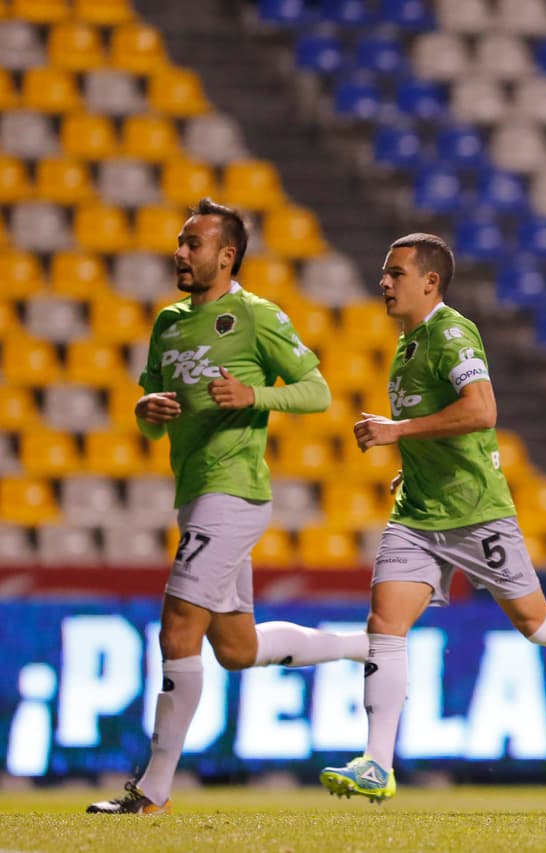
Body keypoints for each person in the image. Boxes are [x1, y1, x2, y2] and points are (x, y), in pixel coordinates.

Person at [318, 233, 546, 803]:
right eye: (383, 273)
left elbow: (481, 409)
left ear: (430, 282)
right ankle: (377, 762)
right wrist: (412, 462)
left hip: (474, 513)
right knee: (384, 624)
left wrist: (397, 434)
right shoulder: (409, 342)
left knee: (535, 623)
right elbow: (439, 419)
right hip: (418, 512)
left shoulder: (450, 331)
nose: (384, 282)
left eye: (395, 273)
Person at [88, 198, 368, 815]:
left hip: (234, 490)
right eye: (180, 243)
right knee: (236, 650)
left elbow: (317, 390)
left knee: (177, 628)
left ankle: (152, 793)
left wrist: (256, 395)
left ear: (226, 255)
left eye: (192, 244)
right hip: (194, 494)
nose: (180, 253)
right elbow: (152, 421)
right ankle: (364, 647)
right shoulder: (168, 322)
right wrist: (147, 413)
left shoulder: (256, 315)